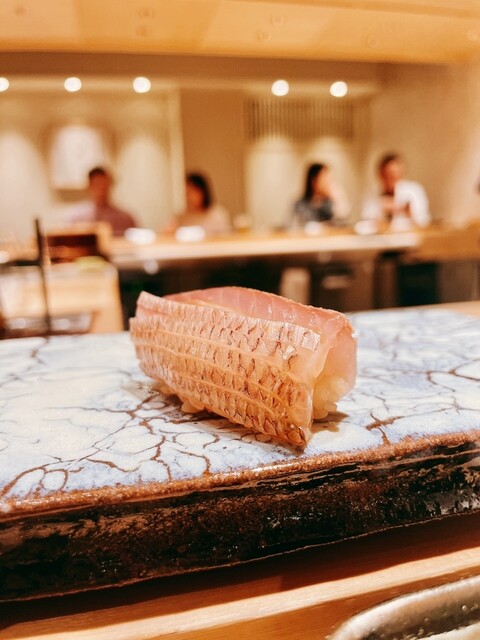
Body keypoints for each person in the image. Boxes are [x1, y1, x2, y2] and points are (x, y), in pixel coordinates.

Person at [362, 153, 431, 228]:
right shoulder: (372, 193)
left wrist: (406, 210)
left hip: (408, 234)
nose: (390, 178)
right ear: (380, 175)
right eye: (387, 175)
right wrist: (380, 208)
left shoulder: (414, 190)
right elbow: (366, 219)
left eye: (394, 174)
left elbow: (424, 221)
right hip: (381, 234)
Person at [69, 167, 137, 236]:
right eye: (97, 184)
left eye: (104, 184)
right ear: (89, 186)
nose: (101, 189)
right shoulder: (76, 218)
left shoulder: (125, 218)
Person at [167, 172, 231, 235]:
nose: (189, 197)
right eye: (187, 193)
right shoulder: (181, 217)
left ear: (203, 192)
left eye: (192, 192)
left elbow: (225, 238)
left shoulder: (218, 215)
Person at [292, 163, 350, 227]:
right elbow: (294, 227)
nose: (328, 182)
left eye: (329, 178)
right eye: (324, 178)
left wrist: (338, 197)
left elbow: (342, 221)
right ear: (313, 181)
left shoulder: (330, 203)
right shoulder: (300, 204)